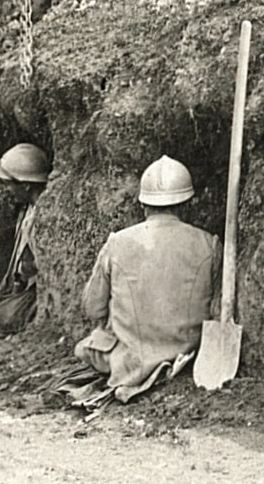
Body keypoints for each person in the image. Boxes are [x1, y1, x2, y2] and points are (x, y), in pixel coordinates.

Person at [73, 156, 220, 394]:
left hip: (131, 363)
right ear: (186, 204)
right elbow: (217, 311)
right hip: (189, 356)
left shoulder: (118, 242)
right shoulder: (209, 244)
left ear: (143, 204)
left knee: (84, 348)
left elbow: (92, 308)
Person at [0, 143, 51, 346]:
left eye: (9, 183)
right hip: (16, 294)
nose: (6, 190)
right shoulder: (26, 210)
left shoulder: (47, 214)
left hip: (32, 298)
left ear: (25, 185)